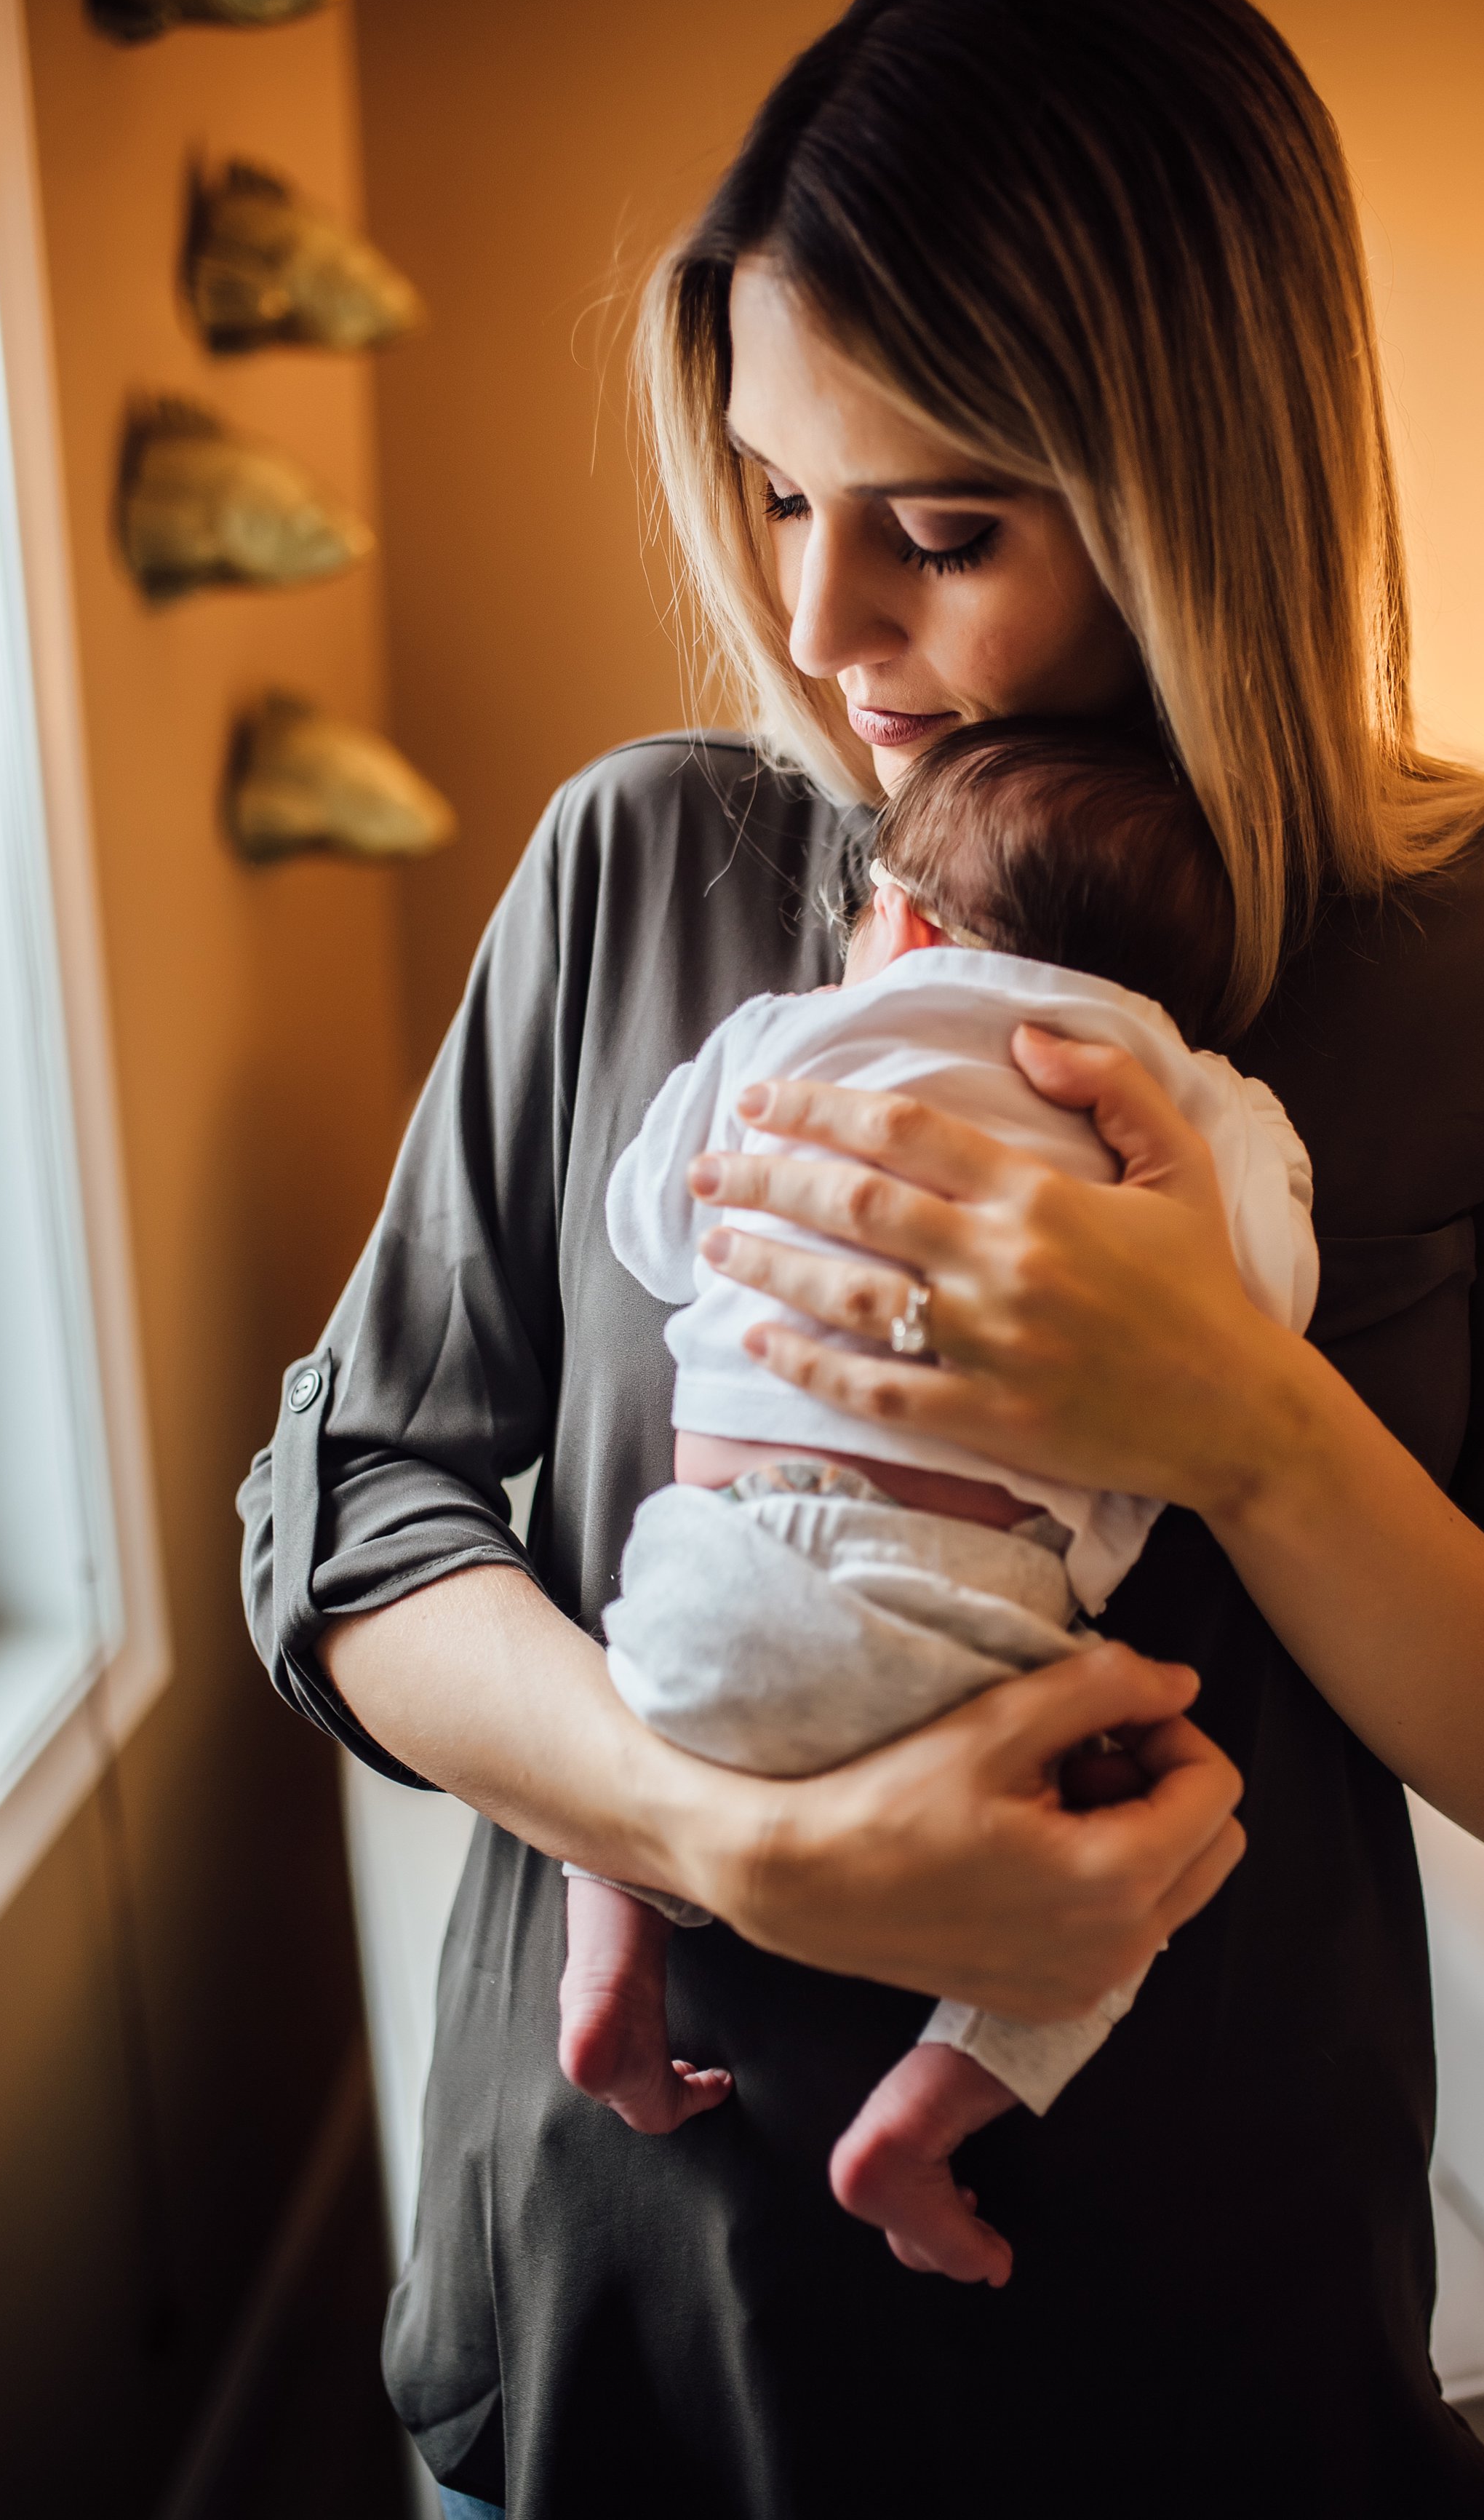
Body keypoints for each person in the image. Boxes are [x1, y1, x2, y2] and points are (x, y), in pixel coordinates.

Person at [239, 0, 1484, 2516]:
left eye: (934, 523)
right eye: (780, 492)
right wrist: (713, 1830)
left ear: (1201, 475)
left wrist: (1241, 1423)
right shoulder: (652, 866)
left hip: (1198, 2347)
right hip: (617, 2319)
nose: (824, 627)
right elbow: (341, 1511)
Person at [555, 720, 1319, 2290]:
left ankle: (607, 1973)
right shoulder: (1180, 1093)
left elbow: (647, 1224)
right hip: (962, 1619)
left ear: (894, 918)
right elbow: (1269, 1309)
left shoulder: (795, 1028)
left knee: (615, 1730)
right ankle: (918, 2123)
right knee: (1153, 1850)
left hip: (702, 1582)